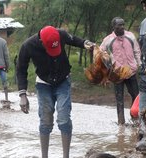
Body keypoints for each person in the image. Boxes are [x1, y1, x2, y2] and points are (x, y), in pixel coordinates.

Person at [17, 25, 94, 158]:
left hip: (63, 81)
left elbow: (74, 40)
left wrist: (86, 43)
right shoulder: (28, 46)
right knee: (45, 121)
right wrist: (22, 95)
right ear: (41, 42)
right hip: (43, 84)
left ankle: (66, 156)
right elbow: (21, 69)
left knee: (64, 119)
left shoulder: (61, 34)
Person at [100, 17, 141, 124]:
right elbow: (100, 54)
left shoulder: (130, 36)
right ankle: (121, 122)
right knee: (119, 99)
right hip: (117, 74)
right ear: (113, 27)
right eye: (119, 25)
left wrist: (139, 64)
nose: (122, 27)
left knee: (136, 96)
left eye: (123, 24)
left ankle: (135, 120)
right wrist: (106, 71)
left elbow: (137, 51)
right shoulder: (108, 40)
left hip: (131, 71)